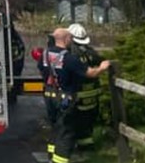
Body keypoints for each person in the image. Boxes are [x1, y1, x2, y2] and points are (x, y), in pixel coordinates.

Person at [44, 27, 112, 163]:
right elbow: (90, 73)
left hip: (50, 95)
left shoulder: (46, 54)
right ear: (66, 39)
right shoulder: (70, 58)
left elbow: (43, 71)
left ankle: (52, 154)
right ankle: (59, 160)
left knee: (56, 126)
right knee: (66, 132)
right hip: (66, 99)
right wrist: (102, 67)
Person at [68, 23, 104, 150]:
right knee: (87, 123)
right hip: (92, 96)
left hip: (77, 96)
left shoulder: (71, 54)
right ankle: (87, 146)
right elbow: (102, 62)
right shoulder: (91, 52)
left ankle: (79, 146)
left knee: (75, 123)